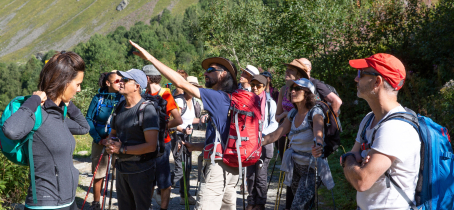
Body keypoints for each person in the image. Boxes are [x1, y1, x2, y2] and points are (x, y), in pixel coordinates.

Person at [130, 40, 247, 210]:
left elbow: (181, 83)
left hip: (218, 167)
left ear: (223, 74)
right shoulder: (234, 98)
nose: (205, 73)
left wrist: (150, 58)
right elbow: (225, 137)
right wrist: (197, 146)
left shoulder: (219, 98)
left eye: (210, 70)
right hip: (234, 164)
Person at [2, 51, 89, 210]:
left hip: (68, 201)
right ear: (63, 82)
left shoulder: (57, 115)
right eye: (77, 84)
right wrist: (34, 100)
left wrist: (68, 105)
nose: (79, 89)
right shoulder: (37, 114)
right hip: (46, 204)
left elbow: (84, 127)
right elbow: (11, 130)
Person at [336, 53, 420, 209]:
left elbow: (361, 181)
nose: (356, 79)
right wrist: (355, 163)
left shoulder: (395, 128)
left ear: (377, 81)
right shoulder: (369, 118)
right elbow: (356, 168)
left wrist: (347, 160)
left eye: (361, 74)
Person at [262, 78, 334, 210]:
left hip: (311, 169)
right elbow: (275, 135)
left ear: (307, 93)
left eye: (297, 89)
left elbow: (319, 133)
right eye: (291, 89)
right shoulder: (293, 114)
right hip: (295, 167)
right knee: (302, 206)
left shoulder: (315, 113)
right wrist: (256, 142)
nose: (292, 91)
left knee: (297, 206)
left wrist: (318, 145)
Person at [105, 69, 159, 210]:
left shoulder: (147, 110)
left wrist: (122, 149)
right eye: (120, 79)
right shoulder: (120, 107)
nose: (120, 82)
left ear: (137, 86)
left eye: (125, 80)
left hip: (141, 170)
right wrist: (110, 143)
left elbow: (151, 146)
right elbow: (114, 133)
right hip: (122, 168)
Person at [142, 64, 182, 209]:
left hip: (162, 144)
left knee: (164, 180)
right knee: (149, 179)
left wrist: (161, 127)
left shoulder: (165, 94)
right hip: (148, 143)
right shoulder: (144, 93)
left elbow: (178, 120)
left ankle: (163, 208)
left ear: (147, 78)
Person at [274, 59, 310, 210]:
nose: (286, 73)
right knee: (289, 176)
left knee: (300, 176)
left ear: (298, 76)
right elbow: (276, 116)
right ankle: (290, 205)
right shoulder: (283, 90)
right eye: (286, 70)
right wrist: (288, 116)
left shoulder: (308, 91)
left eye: (291, 71)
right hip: (284, 136)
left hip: (300, 136)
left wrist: (292, 115)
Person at [85, 70, 123, 210]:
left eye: (122, 81)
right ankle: (96, 203)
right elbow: (88, 119)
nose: (121, 84)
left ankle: (122, 202)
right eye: (117, 81)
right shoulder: (98, 98)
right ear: (108, 83)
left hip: (118, 141)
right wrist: (98, 139)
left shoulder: (124, 98)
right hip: (100, 141)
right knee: (98, 173)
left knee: (118, 173)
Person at [246, 75, 278, 210]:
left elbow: (274, 123)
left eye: (258, 86)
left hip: (265, 142)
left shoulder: (270, 102)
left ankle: (260, 203)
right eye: (253, 84)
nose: (254, 88)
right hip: (250, 143)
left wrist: (261, 134)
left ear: (264, 87)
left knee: (260, 175)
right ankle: (251, 201)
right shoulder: (247, 101)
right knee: (250, 175)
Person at [172, 76, 203, 205]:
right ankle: (161, 186)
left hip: (187, 137)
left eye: (195, 87)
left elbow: (190, 120)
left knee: (188, 167)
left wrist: (202, 119)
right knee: (180, 168)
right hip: (178, 137)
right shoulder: (179, 101)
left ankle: (185, 195)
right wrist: (183, 130)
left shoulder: (194, 101)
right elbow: (172, 122)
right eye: (191, 86)